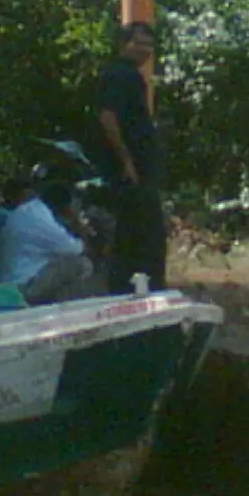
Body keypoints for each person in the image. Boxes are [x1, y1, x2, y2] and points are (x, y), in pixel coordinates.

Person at [96, 21, 167, 294]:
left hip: (141, 169)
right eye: (138, 43)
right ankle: (136, 289)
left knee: (141, 233)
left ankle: (139, 287)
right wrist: (126, 160)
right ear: (123, 44)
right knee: (141, 235)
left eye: (149, 45)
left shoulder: (133, 76)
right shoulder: (119, 74)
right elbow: (108, 117)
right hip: (130, 172)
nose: (144, 49)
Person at [0, 179, 94, 305]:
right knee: (82, 264)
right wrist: (80, 226)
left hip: (10, 280)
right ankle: (64, 308)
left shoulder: (31, 209)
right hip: (22, 286)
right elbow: (76, 249)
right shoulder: (42, 221)